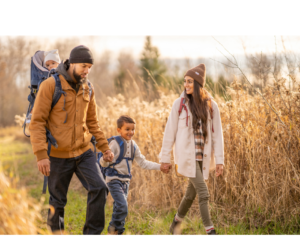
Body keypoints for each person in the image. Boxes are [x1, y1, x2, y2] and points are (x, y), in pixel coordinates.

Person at [29, 45, 114, 235]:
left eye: (89, 67)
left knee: (99, 188)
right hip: (57, 155)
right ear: (72, 63)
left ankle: (91, 235)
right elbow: (37, 122)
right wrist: (41, 154)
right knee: (57, 201)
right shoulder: (50, 85)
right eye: (84, 66)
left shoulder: (88, 87)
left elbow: (92, 121)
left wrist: (104, 147)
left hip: (84, 152)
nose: (87, 71)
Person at [159, 64, 224, 235]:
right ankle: (210, 232)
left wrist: (220, 161)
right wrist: (164, 158)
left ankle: (175, 224)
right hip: (186, 157)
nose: (186, 85)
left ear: (198, 84)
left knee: (190, 195)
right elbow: (169, 133)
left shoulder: (211, 106)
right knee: (204, 193)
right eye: (184, 81)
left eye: (189, 81)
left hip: (203, 157)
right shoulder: (179, 104)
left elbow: (218, 136)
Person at [100, 115, 170, 235]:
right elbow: (103, 162)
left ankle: (116, 233)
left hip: (126, 181)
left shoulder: (133, 145)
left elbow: (143, 163)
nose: (131, 132)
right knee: (123, 206)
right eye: (127, 129)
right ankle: (113, 231)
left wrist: (160, 167)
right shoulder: (115, 144)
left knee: (119, 207)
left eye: (133, 129)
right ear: (119, 130)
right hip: (114, 180)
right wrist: (105, 159)